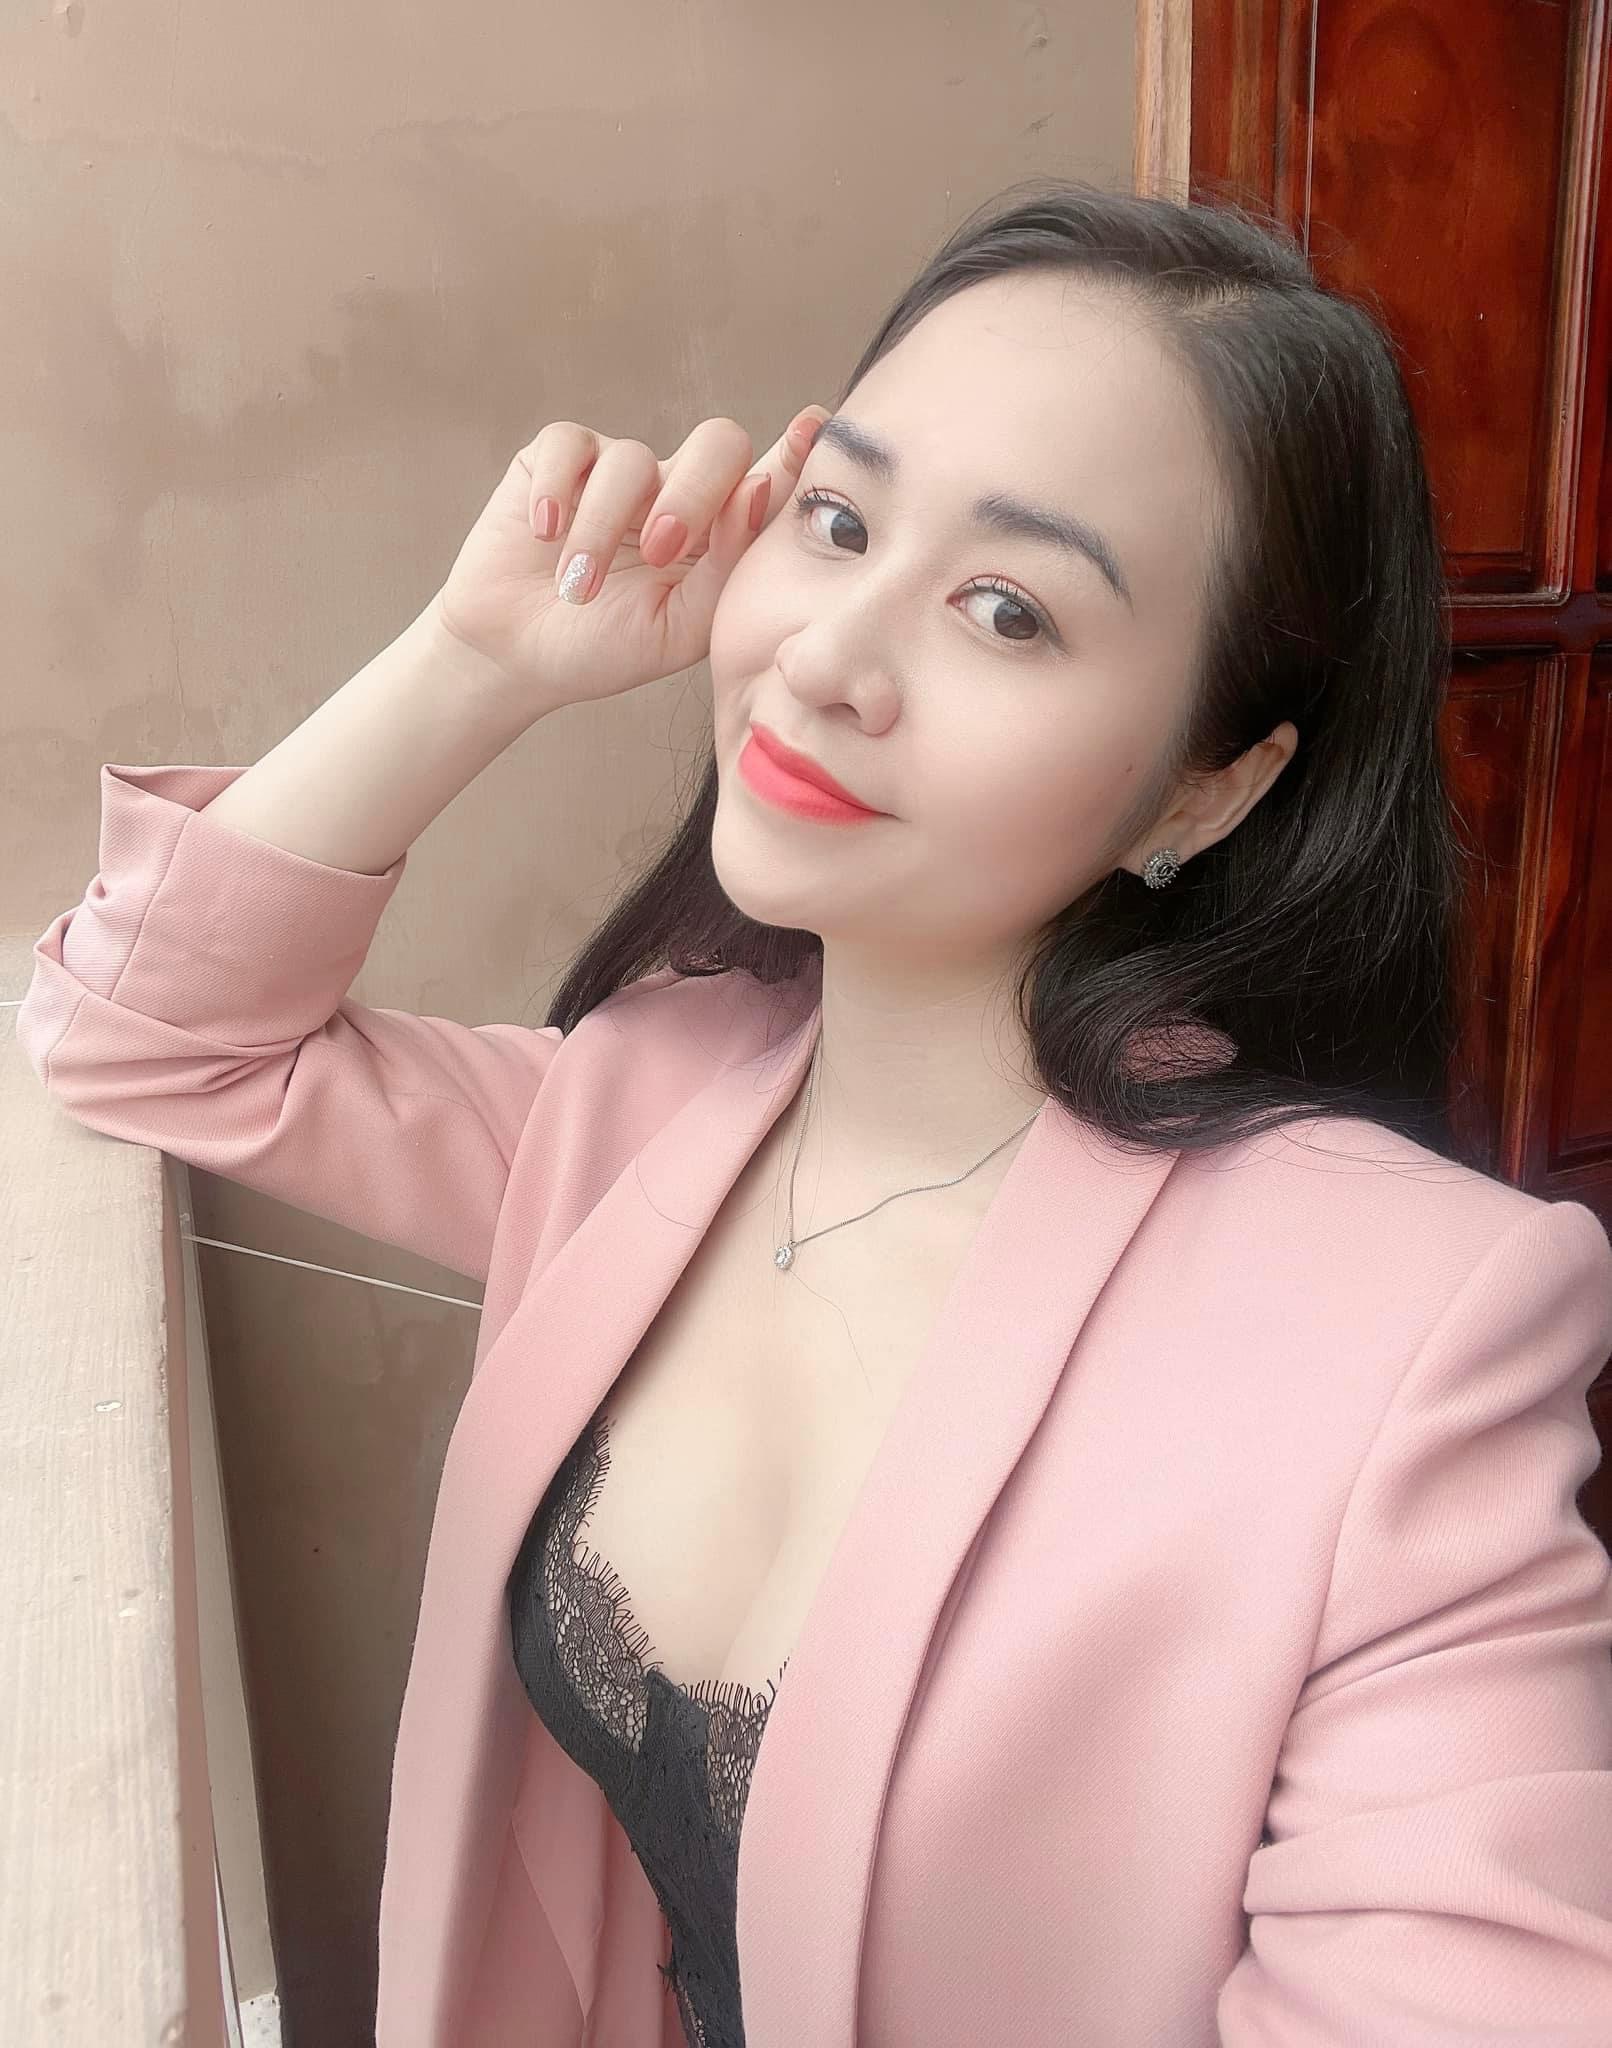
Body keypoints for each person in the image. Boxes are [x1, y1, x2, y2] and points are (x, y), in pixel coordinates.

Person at [18, 177, 1612, 2046]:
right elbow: (149, 1035)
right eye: (839, 521)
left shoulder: (1410, 1343)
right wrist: (484, 656)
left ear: (1212, 785)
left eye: (1007, 610)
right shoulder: (645, 1101)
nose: (828, 657)